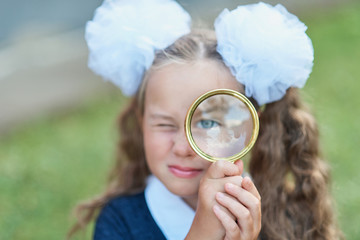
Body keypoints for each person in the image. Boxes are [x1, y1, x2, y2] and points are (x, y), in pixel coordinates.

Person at [69, 0, 342, 239]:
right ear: (141, 122)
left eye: (209, 123)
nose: (183, 148)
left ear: (251, 127)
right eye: (164, 124)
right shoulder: (120, 222)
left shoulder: (288, 216)